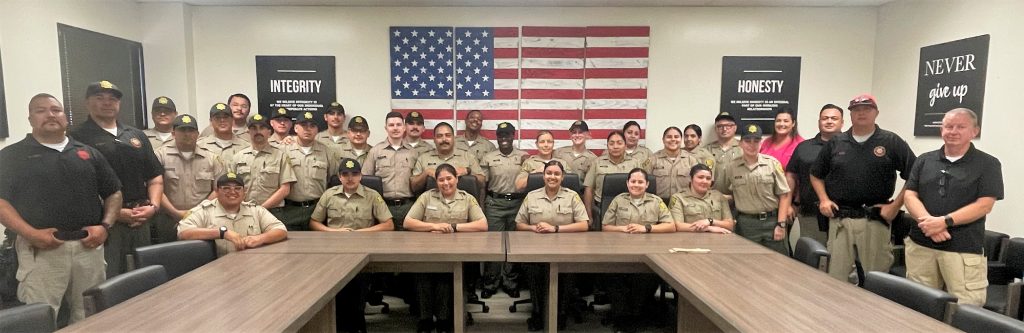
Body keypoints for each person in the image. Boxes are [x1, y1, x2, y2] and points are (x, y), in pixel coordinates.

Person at [0, 93, 122, 324]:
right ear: (30, 119)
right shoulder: (11, 156)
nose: (50, 115)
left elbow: (114, 192)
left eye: (56, 110)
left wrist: (105, 226)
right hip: (41, 251)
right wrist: (30, 234)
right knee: (40, 317)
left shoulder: (87, 153)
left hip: (89, 247)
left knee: (92, 314)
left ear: (66, 117)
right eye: (41, 110)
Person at [811, 94, 916, 281]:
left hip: (875, 219)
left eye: (867, 109)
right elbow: (816, 174)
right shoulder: (836, 142)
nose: (861, 113)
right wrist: (824, 200)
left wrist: (895, 206)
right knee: (835, 277)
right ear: (850, 115)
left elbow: (914, 176)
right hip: (841, 219)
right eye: (856, 110)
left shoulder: (891, 141)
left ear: (876, 113)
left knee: (876, 279)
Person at [903, 108, 1002, 306]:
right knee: (918, 305)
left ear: (974, 131)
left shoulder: (988, 164)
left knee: (965, 309)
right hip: (922, 245)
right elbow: (909, 194)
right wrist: (928, 224)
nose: (953, 131)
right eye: (948, 126)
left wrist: (944, 222)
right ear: (941, 130)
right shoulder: (924, 160)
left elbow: (984, 205)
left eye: (961, 127)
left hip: (961, 249)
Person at [68, 80, 164, 277]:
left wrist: (153, 207)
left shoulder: (135, 135)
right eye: (99, 98)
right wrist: (116, 213)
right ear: (87, 102)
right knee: (109, 278)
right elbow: (77, 187)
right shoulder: (76, 138)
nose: (107, 103)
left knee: (144, 275)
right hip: (105, 223)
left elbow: (154, 176)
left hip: (141, 218)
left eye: (112, 99)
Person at [310, 158, 394, 333]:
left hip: (362, 249)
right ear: (339, 177)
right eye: (345, 174)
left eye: (354, 174)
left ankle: (357, 324)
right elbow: (314, 222)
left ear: (361, 176)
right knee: (337, 293)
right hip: (333, 250)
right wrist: (333, 232)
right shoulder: (329, 195)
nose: (350, 178)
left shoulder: (372, 195)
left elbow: (388, 224)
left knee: (357, 291)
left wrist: (360, 233)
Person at [404, 164, 488, 333]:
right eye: (441, 180)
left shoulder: (467, 198)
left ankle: (443, 320)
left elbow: (482, 224)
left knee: (445, 276)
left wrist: (453, 227)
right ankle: (425, 319)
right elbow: (408, 222)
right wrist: (433, 226)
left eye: (449, 178)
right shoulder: (427, 197)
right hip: (429, 251)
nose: (445, 183)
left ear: (457, 179)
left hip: (457, 252)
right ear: (436, 182)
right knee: (423, 276)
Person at [514, 160, 589, 331]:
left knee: (566, 272)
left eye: (556, 174)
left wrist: (555, 229)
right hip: (536, 249)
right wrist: (533, 227)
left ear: (562, 177)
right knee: (533, 271)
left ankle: (561, 313)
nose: (552, 177)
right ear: (543, 176)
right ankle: (538, 312)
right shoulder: (532, 196)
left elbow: (584, 224)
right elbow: (519, 224)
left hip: (566, 249)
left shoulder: (572, 196)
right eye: (549, 173)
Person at [601, 168, 673, 333]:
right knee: (611, 274)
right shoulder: (618, 200)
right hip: (620, 250)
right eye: (633, 181)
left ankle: (634, 314)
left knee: (646, 276)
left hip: (648, 252)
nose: (636, 185)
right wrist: (623, 229)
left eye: (640, 182)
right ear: (627, 183)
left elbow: (670, 225)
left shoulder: (656, 201)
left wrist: (646, 228)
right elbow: (606, 227)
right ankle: (623, 316)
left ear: (647, 184)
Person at [717, 124, 791, 255]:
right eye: (747, 141)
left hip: (772, 223)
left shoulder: (772, 164)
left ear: (761, 143)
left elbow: (784, 195)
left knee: (778, 264)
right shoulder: (731, 167)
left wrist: (781, 225)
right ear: (740, 143)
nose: (752, 145)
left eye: (756, 141)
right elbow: (723, 193)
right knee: (746, 264)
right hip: (746, 224)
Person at [153, 114, 225, 244]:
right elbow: (155, 188)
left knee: (204, 259)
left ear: (197, 134)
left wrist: (197, 212)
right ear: (173, 133)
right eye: (182, 130)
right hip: (168, 219)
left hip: (203, 219)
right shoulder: (160, 155)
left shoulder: (211, 158)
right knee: (166, 256)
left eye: (191, 130)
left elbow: (218, 189)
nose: (187, 134)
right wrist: (175, 212)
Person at [177, 173, 288, 256]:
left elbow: (280, 229)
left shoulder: (255, 210)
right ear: (216, 191)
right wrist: (222, 233)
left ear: (244, 192)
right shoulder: (204, 210)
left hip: (251, 265)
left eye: (237, 188)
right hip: (215, 270)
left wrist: (260, 238)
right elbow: (183, 233)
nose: (232, 192)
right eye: (226, 188)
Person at [479, 122, 529, 299]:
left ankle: (510, 282)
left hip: (517, 204)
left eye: (507, 134)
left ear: (513, 136)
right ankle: (490, 283)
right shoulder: (488, 157)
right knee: (493, 245)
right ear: (497, 137)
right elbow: (483, 185)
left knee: (514, 245)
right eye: (501, 135)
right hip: (495, 203)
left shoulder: (524, 157)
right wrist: (482, 206)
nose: (504, 138)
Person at [785, 104, 844, 246]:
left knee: (841, 261)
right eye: (825, 118)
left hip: (844, 214)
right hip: (810, 214)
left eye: (834, 118)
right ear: (819, 122)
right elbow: (791, 176)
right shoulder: (804, 147)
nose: (829, 121)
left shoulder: (852, 147)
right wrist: (788, 204)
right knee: (813, 256)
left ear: (842, 122)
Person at [279, 112, 340, 231]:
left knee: (319, 247)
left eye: (312, 126)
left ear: (317, 130)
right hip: (290, 209)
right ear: (296, 128)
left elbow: (333, 181)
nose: (308, 129)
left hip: (317, 209)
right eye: (304, 125)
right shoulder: (283, 150)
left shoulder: (326, 152)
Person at [229, 113, 296, 219]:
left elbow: (285, 189)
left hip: (273, 212)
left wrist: (261, 209)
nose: (258, 132)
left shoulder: (280, 156)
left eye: (262, 128)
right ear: (248, 131)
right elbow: (231, 187)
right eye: (254, 128)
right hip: (243, 211)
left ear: (269, 132)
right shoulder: (238, 157)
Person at [362, 111, 419, 231]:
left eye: (398, 125)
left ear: (404, 128)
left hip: (407, 206)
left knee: (408, 243)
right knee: (383, 244)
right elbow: (365, 180)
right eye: (391, 125)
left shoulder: (413, 153)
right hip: (382, 206)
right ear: (386, 128)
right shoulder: (375, 151)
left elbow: (417, 181)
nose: (395, 128)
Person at [584, 131, 646, 221]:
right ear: (607, 146)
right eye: (611, 143)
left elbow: (643, 187)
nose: (615, 146)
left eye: (619, 143)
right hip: (602, 208)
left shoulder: (635, 163)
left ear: (625, 145)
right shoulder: (597, 162)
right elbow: (588, 189)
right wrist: (589, 215)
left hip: (631, 207)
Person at [411, 122, 484, 193]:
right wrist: (426, 173)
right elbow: (414, 187)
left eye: (448, 135)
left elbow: (482, 183)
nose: (444, 139)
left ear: (454, 138)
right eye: (439, 136)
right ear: (434, 139)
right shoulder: (423, 158)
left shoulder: (468, 157)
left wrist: (468, 171)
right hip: (431, 203)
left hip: (462, 203)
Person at [670, 164, 734, 234]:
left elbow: (730, 225)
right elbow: (678, 226)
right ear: (691, 179)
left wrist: (710, 221)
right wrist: (708, 228)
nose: (705, 181)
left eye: (708, 178)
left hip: (718, 239)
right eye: (700, 177)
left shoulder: (718, 196)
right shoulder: (678, 198)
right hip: (689, 239)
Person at [648, 126, 700, 201]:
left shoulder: (691, 160)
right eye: (669, 137)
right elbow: (644, 182)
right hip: (658, 203)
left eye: (676, 137)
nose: (673, 139)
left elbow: (697, 184)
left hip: (684, 203)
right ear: (663, 140)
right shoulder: (653, 159)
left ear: (681, 139)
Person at [703, 112, 741, 192]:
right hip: (712, 198)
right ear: (715, 129)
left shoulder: (744, 148)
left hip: (738, 198)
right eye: (720, 126)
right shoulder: (706, 150)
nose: (724, 129)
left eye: (729, 126)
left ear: (735, 128)